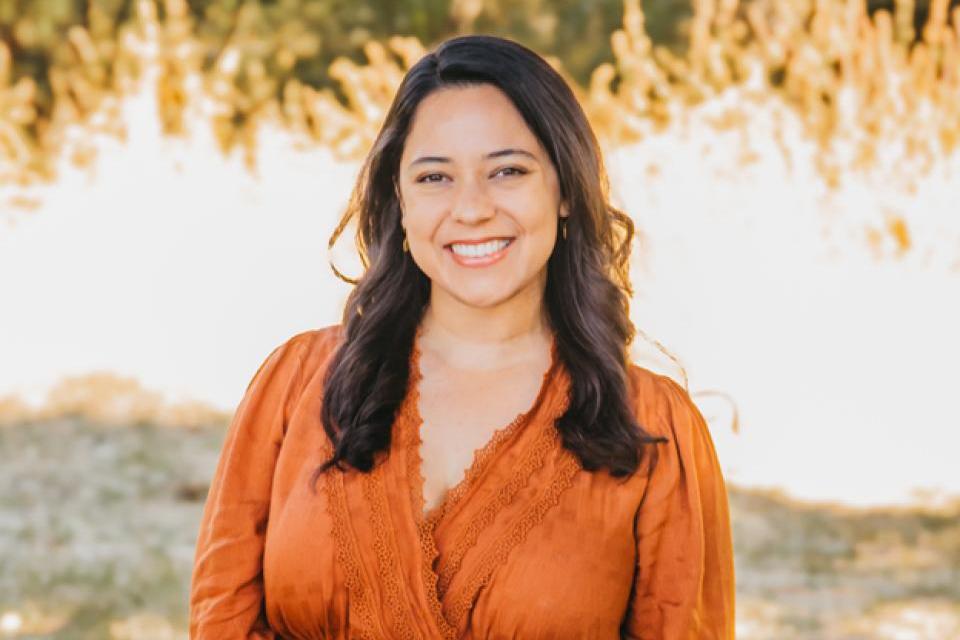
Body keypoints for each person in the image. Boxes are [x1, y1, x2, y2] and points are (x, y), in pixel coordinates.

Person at [189, 34, 734, 639]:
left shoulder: (654, 430)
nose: (471, 209)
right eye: (434, 177)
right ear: (399, 198)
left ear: (566, 192)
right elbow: (221, 620)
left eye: (507, 171)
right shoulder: (296, 383)